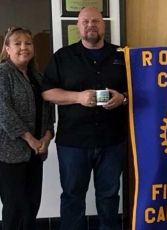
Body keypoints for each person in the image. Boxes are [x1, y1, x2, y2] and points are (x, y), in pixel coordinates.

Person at [41, 7, 128, 230]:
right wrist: (77, 97)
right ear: (78, 26)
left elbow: (139, 90)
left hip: (112, 140)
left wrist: (123, 98)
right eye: (85, 21)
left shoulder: (122, 55)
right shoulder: (62, 56)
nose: (91, 25)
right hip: (73, 142)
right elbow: (47, 92)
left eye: (96, 21)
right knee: (72, 197)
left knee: (109, 197)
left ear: (103, 25)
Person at [0, 27, 54, 230]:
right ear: (7, 48)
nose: (24, 47)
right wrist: (31, 139)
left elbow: (49, 109)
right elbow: (4, 112)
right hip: (10, 155)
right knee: (14, 209)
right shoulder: (3, 74)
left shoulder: (38, 77)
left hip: (36, 154)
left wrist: (47, 137)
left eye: (28, 43)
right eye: (18, 43)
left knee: (32, 206)